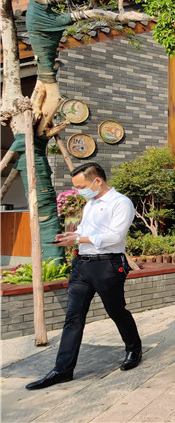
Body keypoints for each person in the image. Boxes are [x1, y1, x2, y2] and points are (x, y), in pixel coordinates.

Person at [26, 163, 142, 390]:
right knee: (73, 317)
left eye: (81, 186)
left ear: (97, 181)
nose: (79, 191)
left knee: (116, 311)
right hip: (82, 265)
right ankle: (62, 369)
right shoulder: (90, 203)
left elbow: (115, 236)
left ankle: (133, 349)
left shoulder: (120, 202)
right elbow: (85, 230)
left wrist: (79, 239)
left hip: (107, 265)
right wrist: (71, 236)